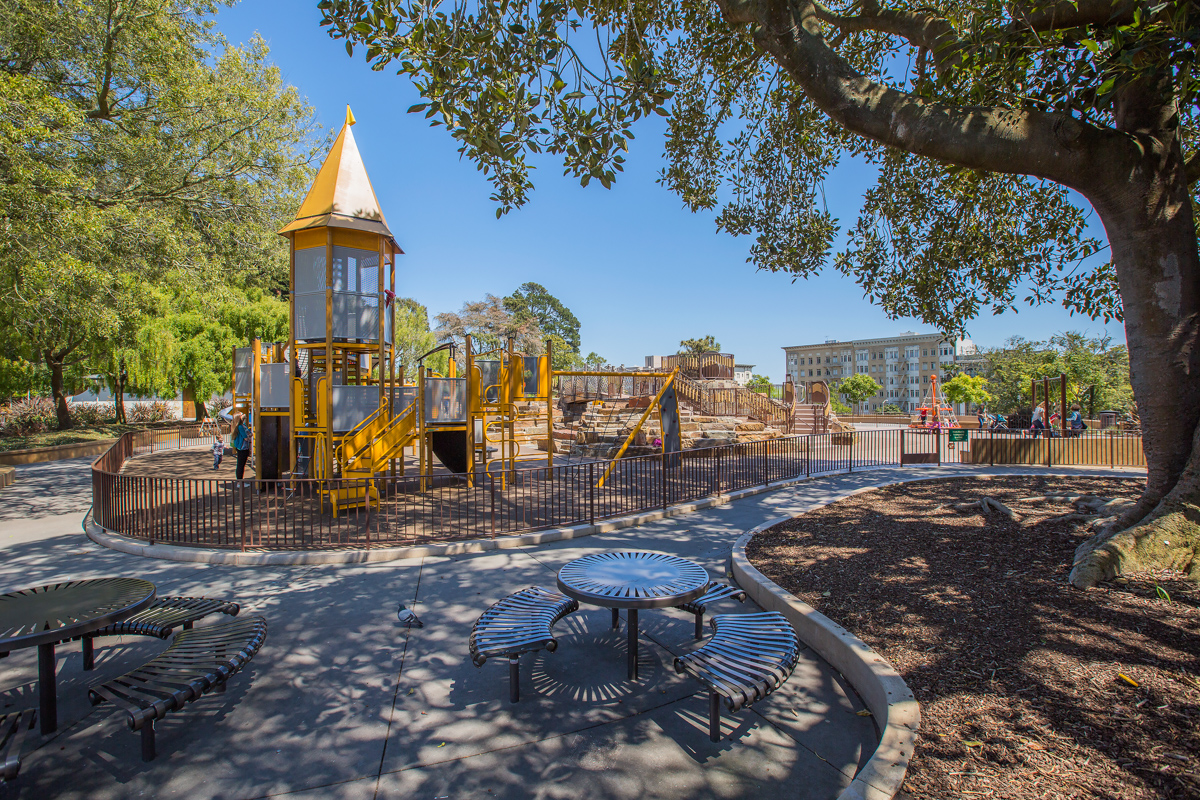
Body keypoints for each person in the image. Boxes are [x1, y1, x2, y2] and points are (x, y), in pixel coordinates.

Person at [232, 412, 253, 483]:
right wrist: (249, 435)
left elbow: (249, 433)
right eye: (242, 414)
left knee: (242, 464)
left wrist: (249, 435)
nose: (244, 415)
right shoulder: (240, 427)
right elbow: (246, 437)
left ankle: (240, 480)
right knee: (241, 465)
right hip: (242, 448)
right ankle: (239, 481)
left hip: (244, 448)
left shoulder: (243, 425)